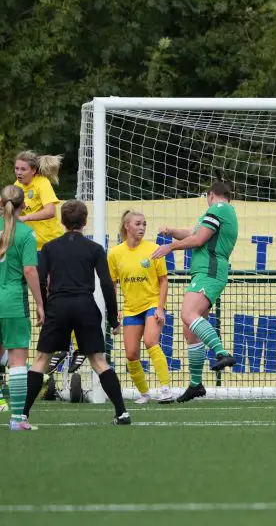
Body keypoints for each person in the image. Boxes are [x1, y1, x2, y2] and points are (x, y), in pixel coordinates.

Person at [22, 200, 131, 427]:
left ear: (61, 222)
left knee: (42, 359)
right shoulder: (94, 249)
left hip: (58, 305)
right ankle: (122, 413)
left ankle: (23, 415)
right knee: (99, 361)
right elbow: (107, 284)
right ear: (85, 221)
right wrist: (113, 319)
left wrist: (42, 306)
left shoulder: (50, 248)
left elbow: (41, 280)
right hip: (85, 305)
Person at [152, 180, 238, 402]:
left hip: (209, 271)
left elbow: (198, 239)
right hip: (206, 272)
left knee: (188, 314)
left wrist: (169, 247)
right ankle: (196, 384)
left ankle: (222, 352)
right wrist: (171, 232)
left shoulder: (218, 208)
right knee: (191, 332)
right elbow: (192, 232)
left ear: (211, 195)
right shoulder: (221, 212)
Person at [108, 209, 172, 404]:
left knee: (151, 341)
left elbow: (163, 281)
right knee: (131, 353)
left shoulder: (154, 249)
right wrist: (116, 311)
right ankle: (144, 394)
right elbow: (112, 285)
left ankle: (165, 389)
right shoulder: (115, 253)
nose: (142, 227)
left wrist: (160, 308)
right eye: (138, 224)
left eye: (144, 224)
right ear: (127, 226)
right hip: (130, 309)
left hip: (152, 304)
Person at [0, 186, 45, 430]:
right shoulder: (26, 233)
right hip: (13, 302)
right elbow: (30, 270)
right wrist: (40, 303)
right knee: (17, 362)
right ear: (23, 206)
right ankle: (18, 419)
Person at [13, 150, 63, 250]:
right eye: (17, 168)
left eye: (23, 169)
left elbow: (50, 211)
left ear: (33, 170)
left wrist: (25, 218)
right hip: (29, 243)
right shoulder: (17, 185)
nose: (19, 172)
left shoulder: (42, 183)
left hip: (50, 242)